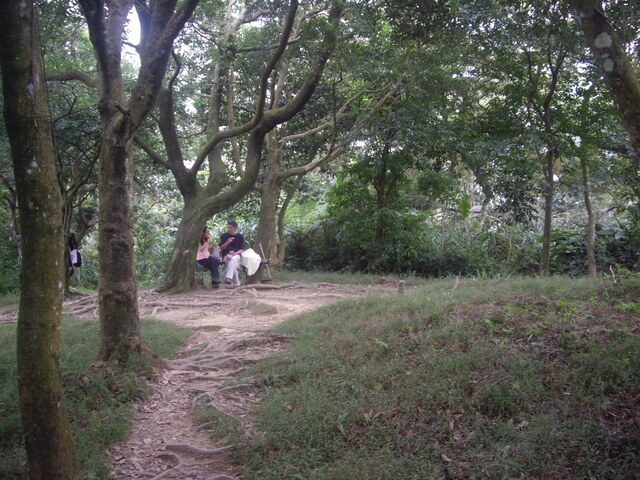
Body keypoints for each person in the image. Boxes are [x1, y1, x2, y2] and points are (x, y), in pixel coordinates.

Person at [219, 220, 244, 287]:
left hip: (236, 256)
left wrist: (235, 253)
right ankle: (237, 284)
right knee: (233, 264)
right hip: (226, 256)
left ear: (235, 228)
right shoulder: (223, 236)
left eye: (230, 227)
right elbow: (221, 248)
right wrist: (227, 242)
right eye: (228, 227)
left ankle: (228, 277)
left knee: (233, 259)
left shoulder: (240, 236)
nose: (229, 229)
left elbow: (241, 250)